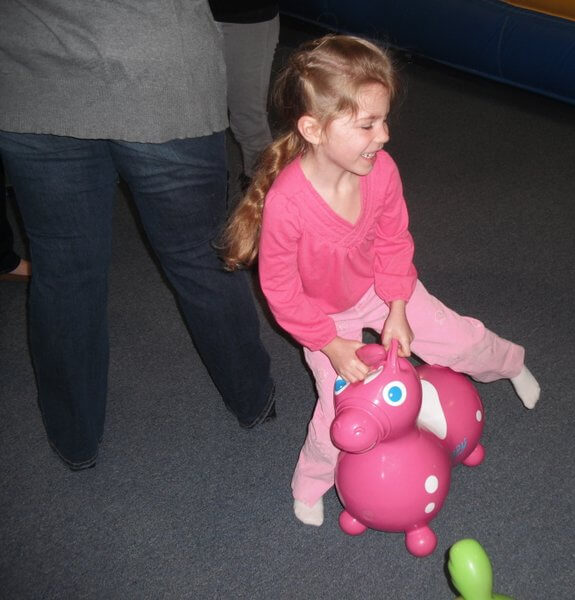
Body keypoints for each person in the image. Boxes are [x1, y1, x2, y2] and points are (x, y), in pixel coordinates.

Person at [220, 35, 541, 526]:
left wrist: (396, 309)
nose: (384, 134)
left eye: (384, 119)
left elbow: (394, 241)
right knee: (336, 410)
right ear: (314, 129)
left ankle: (510, 362)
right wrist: (330, 345)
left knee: (454, 338)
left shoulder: (381, 171)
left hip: (379, 289)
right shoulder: (287, 204)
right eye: (368, 124)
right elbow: (281, 293)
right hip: (323, 317)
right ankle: (309, 482)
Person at [0, 0, 277, 471]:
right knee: (198, 257)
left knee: (64, 271)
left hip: (31, 70)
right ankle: (254, 400)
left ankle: (75, 440)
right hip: (159, 69)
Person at [209, 0, 280, 191]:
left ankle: (263, 196)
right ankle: (212, 191)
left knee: (248, 119)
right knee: (203, 120)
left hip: (245, 17)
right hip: (189, 17)